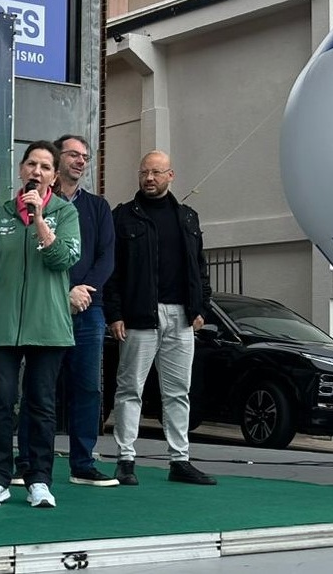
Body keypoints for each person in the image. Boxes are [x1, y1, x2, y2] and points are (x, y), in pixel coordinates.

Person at [0, 141, 80, 509]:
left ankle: (39, 480)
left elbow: (63, 258)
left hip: (48, 326)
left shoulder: (65, 213)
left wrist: (39, 221)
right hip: (4, 325)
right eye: (32, 164)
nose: (37, 171)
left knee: (41, 405)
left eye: (45, 166)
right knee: (1, 401)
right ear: (21, 170)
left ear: (54, 176)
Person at [105, 150, 216, 486]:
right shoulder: (123, 217)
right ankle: (125, 459)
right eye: (144, 173)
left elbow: (200, 267)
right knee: (129, 389)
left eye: (156, 172)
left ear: (171, 175)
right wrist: (115, 313)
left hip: (182, 318)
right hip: (139, 316)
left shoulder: (188, 217)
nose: (149, 178)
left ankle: (180, 460)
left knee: (179, 391)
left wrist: (202, 308)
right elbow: (112, 271)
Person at [14, 135, 117, 487]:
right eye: (73, 154)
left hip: (88, 309)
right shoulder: (36, 204)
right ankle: (26, 462)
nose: (81, 161)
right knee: (38, 388)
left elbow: (106, 257)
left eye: (85, 156)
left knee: (87, 388)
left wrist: (83, 291)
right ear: (57, 162)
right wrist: (65, 292)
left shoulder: (98, 207)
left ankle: (82, 463)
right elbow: (30, 255)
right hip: (47, 307)